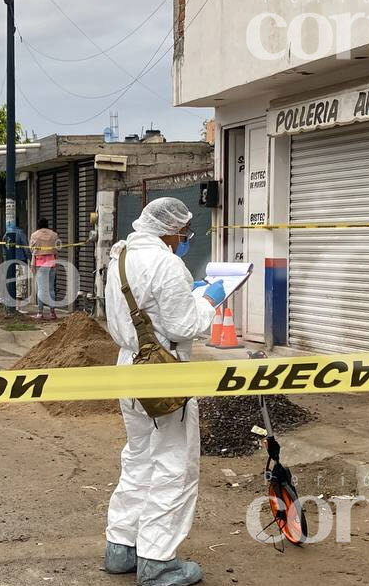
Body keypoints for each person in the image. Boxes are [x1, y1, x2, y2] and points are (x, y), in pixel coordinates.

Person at [102, 197, 226, 586]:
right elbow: (182, 326)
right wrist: (208, 300)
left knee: (138, 458)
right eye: (184, 231)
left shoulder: (119, 256)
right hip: (164, 371)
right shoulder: (167, 264)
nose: (185, 238)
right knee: (174, 465)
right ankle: (157, 561)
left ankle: (121, 547)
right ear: (170, 230)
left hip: (129, 367)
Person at [29, 218, 61, 320]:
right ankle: (52, 312)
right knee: (51, 288)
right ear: (47, 225)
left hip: (39, 264)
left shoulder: (34, 235)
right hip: (51, 263)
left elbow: (31, 248)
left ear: (38, 225)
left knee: (40, 289)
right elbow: (57, 248)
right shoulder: (54, 235)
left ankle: (40, 312)